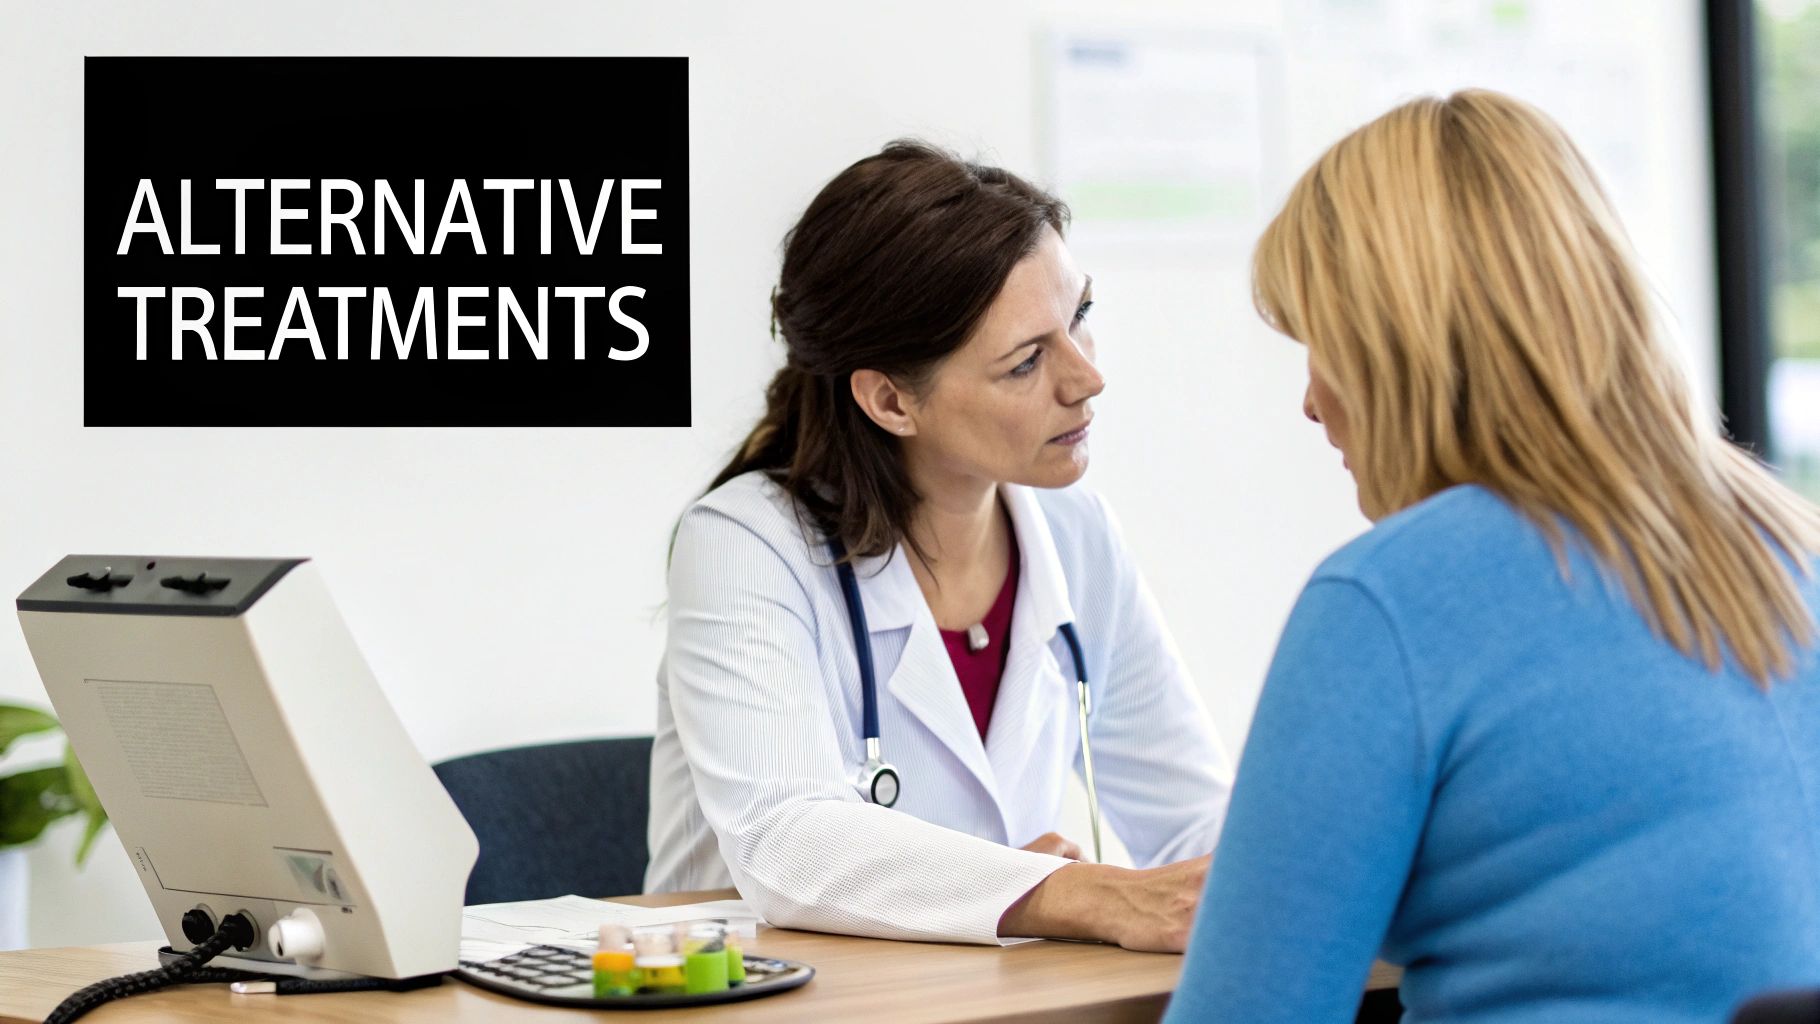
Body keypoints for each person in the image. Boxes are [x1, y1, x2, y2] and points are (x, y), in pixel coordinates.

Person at [1165, 90, 1820, 1023]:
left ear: (1395, 348)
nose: (1312, 403)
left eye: (1320, 346)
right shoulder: (1792, 548)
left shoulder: (1388, 599)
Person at [646, 140, 1232, 947]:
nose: (1086, 377)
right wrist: (1063, 893)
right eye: (1026, 361)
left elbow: (1195, 821)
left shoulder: (1075, 534)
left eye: (1080, 319)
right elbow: (787, 840)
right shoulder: (746, 544)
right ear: (891, 400)